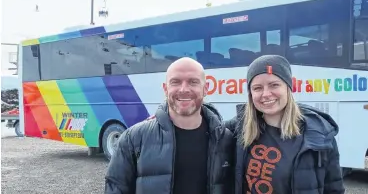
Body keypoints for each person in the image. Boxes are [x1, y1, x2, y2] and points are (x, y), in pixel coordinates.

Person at [105, 57, 235, 194]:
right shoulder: (133, 139)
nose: (184, 89)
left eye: (193, 82)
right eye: (176, 82)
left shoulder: (225, 139)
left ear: (206, 88)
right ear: (165, 89)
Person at [225, 55, 345, 194]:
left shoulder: (320, 134)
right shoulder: (238, 129)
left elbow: (334, 189)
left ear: (288, 87)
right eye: (257, 88)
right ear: (250, 94)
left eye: (274, 85)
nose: (266, 94)